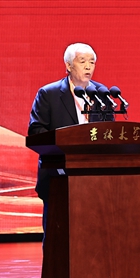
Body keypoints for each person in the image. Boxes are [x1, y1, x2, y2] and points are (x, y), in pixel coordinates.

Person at [28, 43, 115, 210]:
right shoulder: (49, 94)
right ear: (68, 65)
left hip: (96, 178)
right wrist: (65, 147)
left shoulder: (102, 94)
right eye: (82, 61)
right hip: (58, 176)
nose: (88, 66)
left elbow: (109, 131)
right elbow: (36, 132)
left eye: (92, 62)